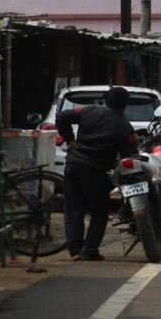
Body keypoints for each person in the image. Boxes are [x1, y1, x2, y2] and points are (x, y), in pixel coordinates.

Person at [56, 86, 139, 261]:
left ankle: (75, 250)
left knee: (74, 209)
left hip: (73, 165)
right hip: (96, 172)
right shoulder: (125, 126)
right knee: (99, 212)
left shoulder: (89, 111)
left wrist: (70, 140)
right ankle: (89, 250)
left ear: (106, 101)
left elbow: (62, 116)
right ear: (125, 105)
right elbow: (128, 156)